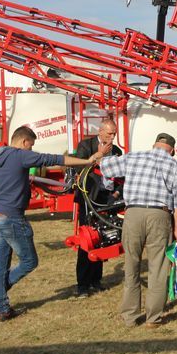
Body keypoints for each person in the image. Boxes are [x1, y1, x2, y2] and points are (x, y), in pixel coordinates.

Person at [0, 125, 110, 321]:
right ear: (24, 142)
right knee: (29, 261)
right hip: (11, 218)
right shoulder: (21, 155)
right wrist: (87, 160)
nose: (31, 149)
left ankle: (2, 308)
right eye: (31, 145)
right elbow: (56, 159)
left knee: (1, 265)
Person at [99, 132, 177, 328]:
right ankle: (153, 318)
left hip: (132, 214)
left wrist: (103, 151)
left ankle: (130, 317)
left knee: (132, 266)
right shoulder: (174, 165)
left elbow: (105, 167)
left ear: (154, 145)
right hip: (159, 216)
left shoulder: (134, 157)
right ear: (171, 151)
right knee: (158, 268)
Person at [73, 119, 123, 298]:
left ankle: (96, 280)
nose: (112, 138)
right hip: (89, 198)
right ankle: (83, 284)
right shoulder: (86, 146)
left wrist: (116, 195)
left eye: (114, 134)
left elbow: (122, 176)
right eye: (109, 134)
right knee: (87, 239)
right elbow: (79, 167)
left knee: (103, 237)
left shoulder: (117, 151)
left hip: (107, 199)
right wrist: (99, 154)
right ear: (100, 132)